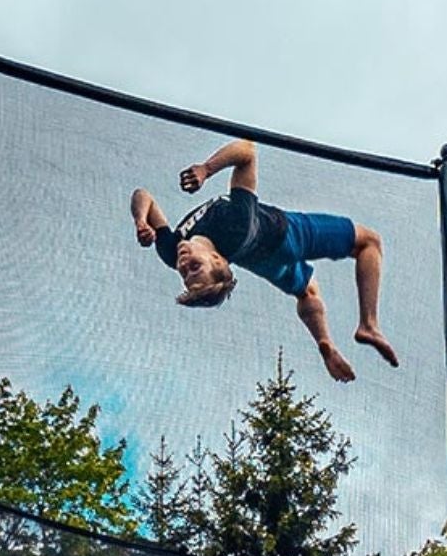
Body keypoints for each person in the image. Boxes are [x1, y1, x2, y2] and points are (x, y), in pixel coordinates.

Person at [130, 139, 396, 383]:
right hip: (287, 234)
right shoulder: (236, 223)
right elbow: (247, 150)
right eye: (195, 268)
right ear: (217, 259)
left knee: (307, 292)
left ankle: (325, 344)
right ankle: (369, 324)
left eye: (185, 273)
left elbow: (143, 195)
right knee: (369, 242)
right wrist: (206, 170)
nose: (184, 263)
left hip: (260, 261)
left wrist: (141, 221)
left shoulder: (172, 251)